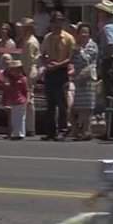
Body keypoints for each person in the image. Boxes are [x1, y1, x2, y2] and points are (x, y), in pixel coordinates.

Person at [40, 11, 75, 141]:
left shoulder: (68, 38)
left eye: (60, 21)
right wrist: (47, 63)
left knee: (62, 103)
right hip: (50, 71)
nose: (57, 24)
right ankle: (50, 131)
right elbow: (42, 54)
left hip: (62, 72)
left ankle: (63, 129)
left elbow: (71, 57)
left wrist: (58, 64)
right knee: (50, 103)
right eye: (55, 21)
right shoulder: (48, 37)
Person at [70, 23, 99, 141]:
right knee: (78, 106)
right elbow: (72, 60)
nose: (83, 35)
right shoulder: (76, 45)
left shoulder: (92, 46)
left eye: (86, 32)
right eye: (81, 32)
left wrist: (80, 50)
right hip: (78, 77)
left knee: (87, 107)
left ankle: (87, 131)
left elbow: (88, 60)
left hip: (88, 77)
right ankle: (79, 130)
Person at [0, 59, 29, 140]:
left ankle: (20, 134)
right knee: (14, 118)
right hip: (14, 101)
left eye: (16, 69)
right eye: (12, 70)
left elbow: (26, 90)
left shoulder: (23, 79)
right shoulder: (10, 79)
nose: (14, 71)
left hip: (21, 100)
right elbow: (2, 81)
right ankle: (15, 133)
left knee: (20, 118)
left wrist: (27, 99)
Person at [16, 17, 40, 137]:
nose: (20, 30)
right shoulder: (27, 40)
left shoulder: (31, 42)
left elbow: (30, 61)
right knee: (28, 100)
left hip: (29, 71)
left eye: (22, 28)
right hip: (28, 70)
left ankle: (30, 128)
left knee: (29, 100)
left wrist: (27, 75)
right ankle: (28, 127)